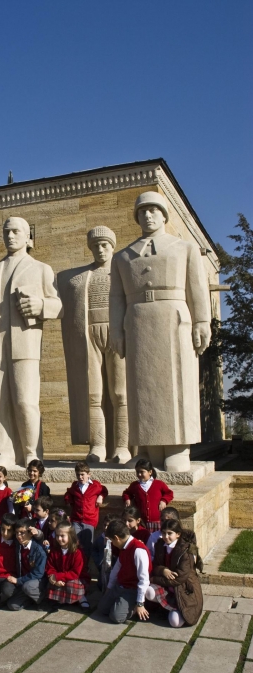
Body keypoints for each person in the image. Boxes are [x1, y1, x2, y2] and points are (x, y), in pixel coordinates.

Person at [109, 191, 211, 473]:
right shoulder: (123, 257)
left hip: (174, 320)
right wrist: (116, 329)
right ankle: (151, 448)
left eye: (154, 211)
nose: (148, 216)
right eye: (142, 212)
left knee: (176, 384)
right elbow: (115, 298)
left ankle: (178, 447)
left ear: (164, 215)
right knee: (143, 386)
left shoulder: (184, 248)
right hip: (138, 321)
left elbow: (197, 288)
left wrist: (203, 321)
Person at [0, 216, 63, 469]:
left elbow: (58, 306)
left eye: (15, 232)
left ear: (27, 236)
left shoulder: (41, 269)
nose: (10, 236)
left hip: (25, 343)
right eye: (6, 232)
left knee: (25, 400)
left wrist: (40, 305)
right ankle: (4, 451)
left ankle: (31, 451)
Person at [58, 225, 130, 463]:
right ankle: (97, 445)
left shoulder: (122, 272)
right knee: (93, 394)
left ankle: (122, 446)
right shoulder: (80, 276)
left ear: (112, 246)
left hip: (117, 333)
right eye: (96, 246)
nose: (100, 249)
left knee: (120, 393)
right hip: (89, 333)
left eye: (105, 245)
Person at [145, 519, 203, 627]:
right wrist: (163, 570)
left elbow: (178, 579)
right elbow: (155, 565)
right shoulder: (160, 545)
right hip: (167, 587)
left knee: (175, 622)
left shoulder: (186, 552)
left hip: (183, 589)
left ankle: (176, 610)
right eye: (163, 533)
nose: (166, 536)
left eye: (169, 533)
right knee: (148, 591)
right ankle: (165, 608)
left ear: (178, 534)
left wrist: (154, 580)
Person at [98, 519, 151, 624]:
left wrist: (140, 603)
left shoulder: (138, 550)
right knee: (102, 609)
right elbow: (116, 570)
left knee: (116, 617)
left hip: (132, 590)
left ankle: (134, 608)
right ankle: (119, 604)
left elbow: (143, 579)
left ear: (117, 538)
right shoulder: (123, 548)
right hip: (120, 586)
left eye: (112, 541)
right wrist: (109, 589)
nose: (113, 544)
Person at [64, 462, 108, 558]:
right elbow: (68, 493)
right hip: (76, 518)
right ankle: (76, 563)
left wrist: (100, 496)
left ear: (89, 474)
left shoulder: (95, 485)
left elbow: (104, 490)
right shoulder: (75, 486)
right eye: (78, 475)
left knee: (88, 545)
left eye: (82, 474)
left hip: (90, 519)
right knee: (75, 542)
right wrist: (69, 501)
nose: (80, 477)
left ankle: (86, 566)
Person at [46, 520, 89, 608]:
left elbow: (75, 573)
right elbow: (50, 566)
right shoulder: (55, 550)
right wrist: (52, 576)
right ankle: (62, 599)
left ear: (71, 536)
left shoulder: (77, 552)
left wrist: (58, 577)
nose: (59, 538)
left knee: (70, 584)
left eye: (62, 536)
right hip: (59, 577)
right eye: (57, 536)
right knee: (50, 583)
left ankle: (81, 598)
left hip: (76, 579)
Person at [7, 518, 47, 610]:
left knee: (28, 587)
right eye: (17, 533)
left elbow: (38, 574)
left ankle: (45, 600)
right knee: (13, 605)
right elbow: (5, 525)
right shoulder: (19, 545)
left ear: (30, 533)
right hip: (24, 580)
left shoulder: (39, 550)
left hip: (38, 582)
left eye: (22, 532)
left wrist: (18, 581)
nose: (18, 536)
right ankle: (31, 600)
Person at [123, 459, 173, 531]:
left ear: (150, 472)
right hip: (142, 522)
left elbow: (169, 493)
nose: (139, 474)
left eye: (142, 472)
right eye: (137, 472)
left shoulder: (159, 484)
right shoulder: (135, 485)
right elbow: (126, 493)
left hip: (156, 522)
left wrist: (164, 500)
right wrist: (127, 499)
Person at [0, 513, 18, 608]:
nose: (5, 533)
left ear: (14, 531)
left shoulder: (18, 542)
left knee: (7, 591)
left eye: (9, 530)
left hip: (9, 577)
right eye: (2, 529)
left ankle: (4, 599)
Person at [91, 513, 117, 591]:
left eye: (108, 526)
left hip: (114, 568)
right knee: (102, 584)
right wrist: (98, 560)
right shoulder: (99, 539)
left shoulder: (116, 540)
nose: (105, 528)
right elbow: (94, 549)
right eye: (104, 525)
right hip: (102, 567)